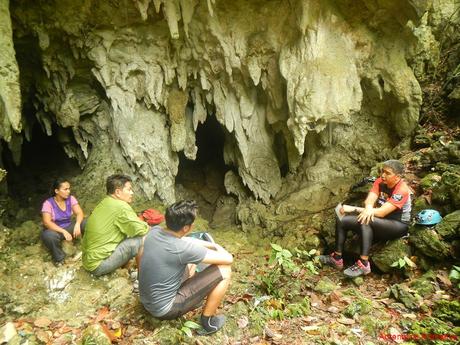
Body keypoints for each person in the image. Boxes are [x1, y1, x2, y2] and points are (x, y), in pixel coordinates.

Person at [139, 200, 233, 335]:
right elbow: (228, 259)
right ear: (185, 228)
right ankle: (208, 322)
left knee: (190, 262)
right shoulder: (182, 249)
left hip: (146, 299)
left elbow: (184, 241)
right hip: (165, 309)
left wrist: (207, 245)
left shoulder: (154, 232)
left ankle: (193, 297)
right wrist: (217, 246)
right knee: (225, 270)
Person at [319, 160, 412, 277]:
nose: (383, 175)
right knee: (342, 220)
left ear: (397, 177)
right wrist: (368, 208)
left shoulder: (401, 190)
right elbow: (370, 199)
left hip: (397, 225)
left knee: (365, 220)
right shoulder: (380, 181)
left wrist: (353, 209)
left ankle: (364, 264)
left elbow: (382, 212)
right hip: (380, 221)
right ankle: (336, 258)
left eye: (388, 173)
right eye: (382, 171)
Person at [82, 174, 149, 276]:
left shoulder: (105, 201)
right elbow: (142, 230)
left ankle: (126, 267)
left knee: (127, 232)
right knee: (145, 239)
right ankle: (142, 279)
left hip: (88, 262)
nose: (132, 193)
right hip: (99, 265)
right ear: (118, 192)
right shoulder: (121, 206)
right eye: (129, 189)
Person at [41, 178, 85, 265]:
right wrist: (63, 231)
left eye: (69, 189)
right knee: (48, 236)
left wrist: (77, 224)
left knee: (87, 222)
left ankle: (89, 246)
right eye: (65, 189)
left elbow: (79, 213)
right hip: (55, 231)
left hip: (69, 227)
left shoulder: (71, 199)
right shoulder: (48, 203)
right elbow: (47, 222)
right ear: (57, 191)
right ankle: (59, 259)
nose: (68, 191)